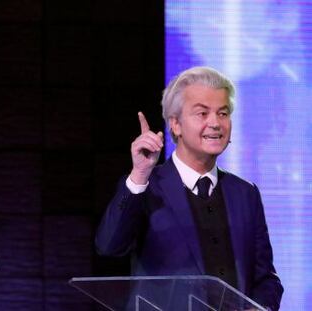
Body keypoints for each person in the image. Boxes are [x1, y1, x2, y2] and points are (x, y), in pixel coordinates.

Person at [95, 67, 283, 310]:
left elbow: (266, 278)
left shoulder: (245, 193)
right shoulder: (147, 186)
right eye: (202, 113)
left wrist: (260, 308)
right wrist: (140, 173)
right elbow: (109, 246)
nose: (215, 123)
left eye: (223, 113)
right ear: (175, 125)